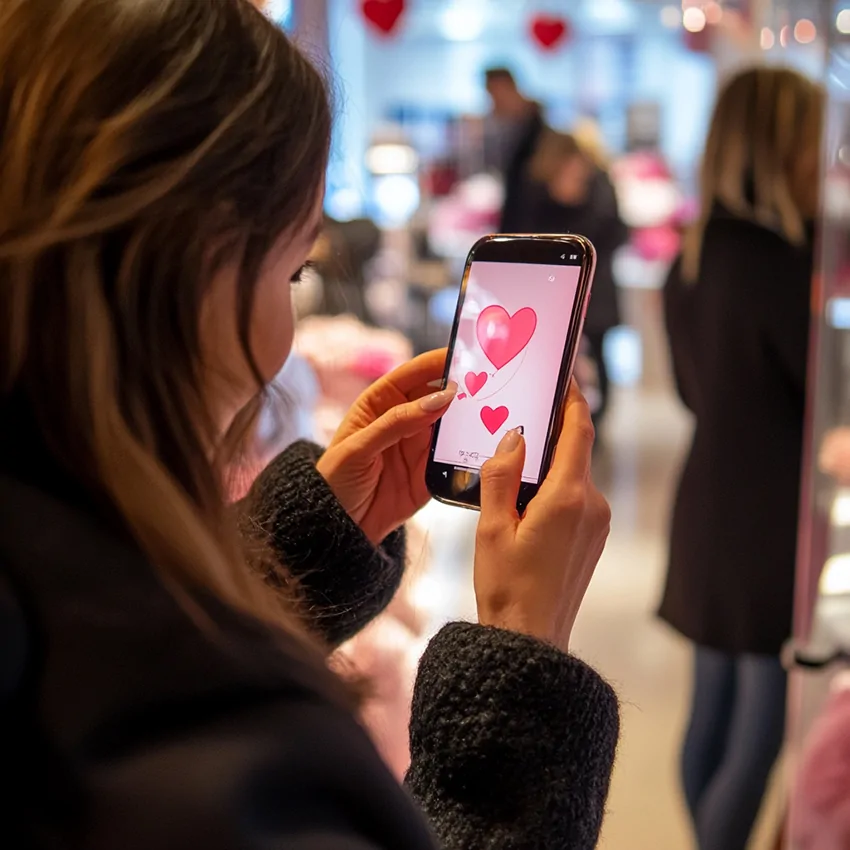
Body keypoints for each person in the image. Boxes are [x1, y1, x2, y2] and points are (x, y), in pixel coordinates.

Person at [0, 2, 618, 848]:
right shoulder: (196, 765)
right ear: (187, 274)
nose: (282, 341)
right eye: (292, 272)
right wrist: (519, 656)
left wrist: (308, 546)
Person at [660, 67, 824, 850]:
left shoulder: (692, 256)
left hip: (709, 498)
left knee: (712, 711)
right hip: (769, 510)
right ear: (783, 145)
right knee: (757, 728)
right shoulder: (788, 261)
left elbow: (695, 393)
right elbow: (819, 396)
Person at [525, 132, 629, 428]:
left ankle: (594, 422)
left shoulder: (598, 187)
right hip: (552, 288)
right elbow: (532, 237)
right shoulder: (537, 191)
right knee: (554, 355)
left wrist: (580, 204)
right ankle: (555, 420)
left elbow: (616, 234)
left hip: (595, 288)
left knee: (597, 353)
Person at [483, 67, 547, 234]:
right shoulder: (514, 129)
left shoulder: (537, 135)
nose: (492, 103)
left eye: (493, 95)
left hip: (531, 228)